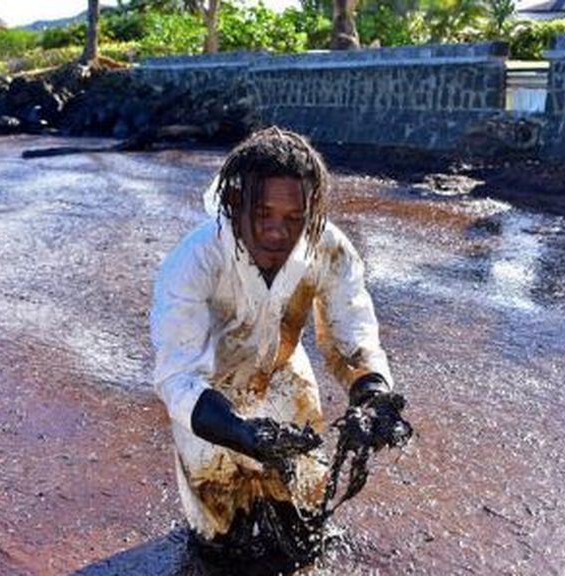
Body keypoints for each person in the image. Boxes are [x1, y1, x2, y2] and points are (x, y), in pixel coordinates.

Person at [149, 127, 410, 571]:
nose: (277, 232)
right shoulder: (193, 261)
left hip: (285, 377)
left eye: (295, 218)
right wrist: (243, 434)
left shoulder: (328, 248)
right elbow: (177, 377)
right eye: (263, 213)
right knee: (218, 538)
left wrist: (374, 394)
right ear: (235, 203)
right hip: (208, 397)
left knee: (306, 523)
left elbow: (351, 334)